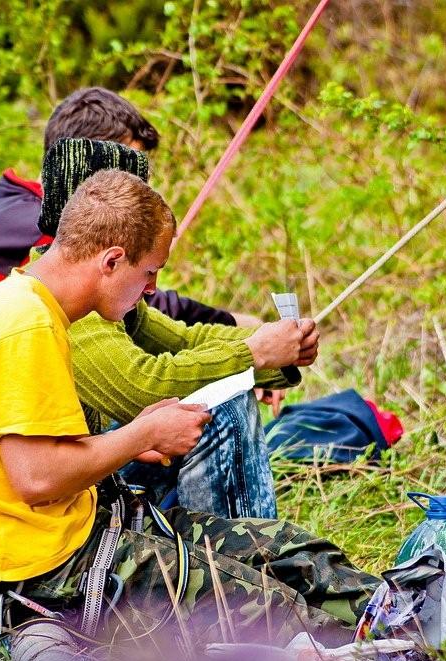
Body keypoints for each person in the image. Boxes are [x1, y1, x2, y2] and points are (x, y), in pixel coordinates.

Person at [0, 169, 446, 661]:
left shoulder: (23, 305)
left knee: (293, 553)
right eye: (149, 273)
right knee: (270, 605)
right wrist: (142, 433)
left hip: (75, 533)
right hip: (40, 569)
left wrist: (127, 444)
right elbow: (34, 477)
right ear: (111, 260)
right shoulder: (25, 325)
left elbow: (22, 455)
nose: (153, 288)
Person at [37, 137, 299, 520]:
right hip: (52, 518)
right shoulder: (59, 309)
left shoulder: (93, 296)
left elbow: (182, 340)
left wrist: (279, 349)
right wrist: (254, 353)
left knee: (215, 401)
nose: (152, 287)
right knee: (217, 411)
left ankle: (240, 545)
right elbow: (143, 388)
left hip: (76, 481)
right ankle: (242, 550)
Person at [0, 86, 258, 350]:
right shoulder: (45, 230)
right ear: (85, 160)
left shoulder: (17, 206)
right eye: (126, 172)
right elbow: (134, 313)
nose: (134, 188)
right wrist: (243, 332)